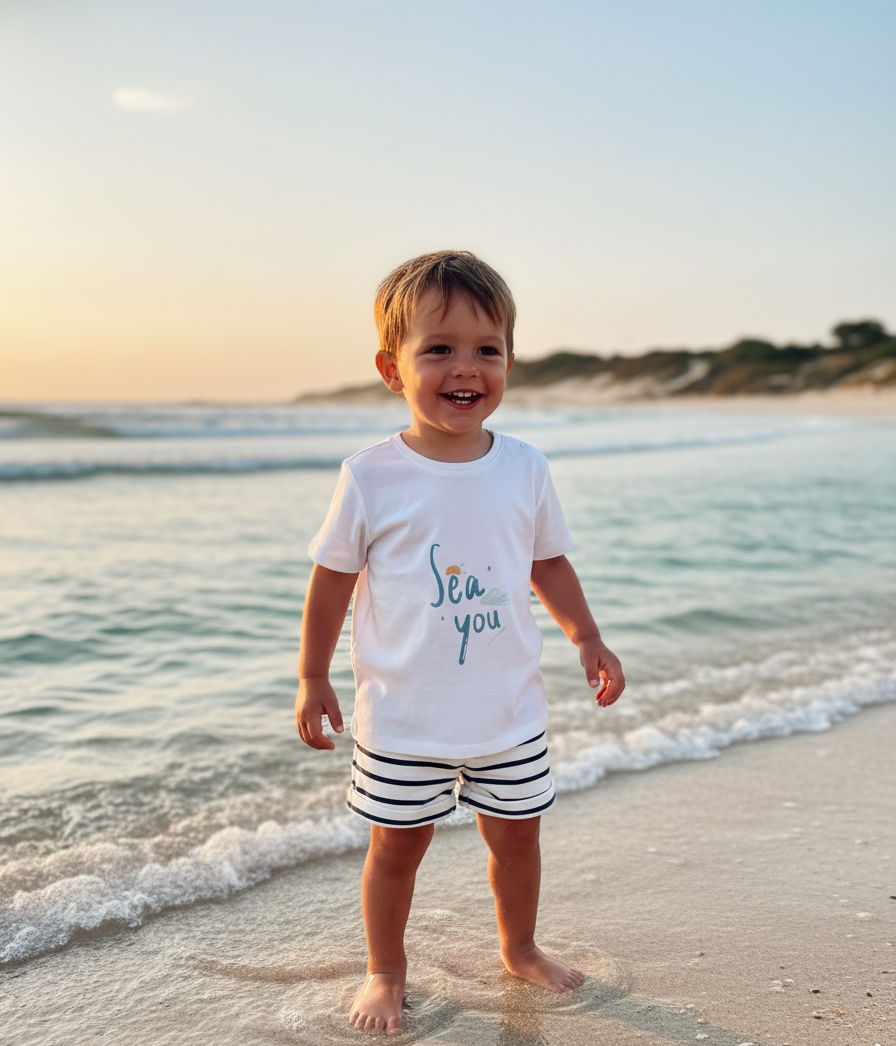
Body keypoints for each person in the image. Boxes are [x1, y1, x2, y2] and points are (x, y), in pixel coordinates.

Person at [295, 250, 624, 1035]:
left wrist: (587, 636)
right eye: (438, 349)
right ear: (392, 368)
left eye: (487, 349)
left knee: (517, 841)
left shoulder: (524, 467)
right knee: (395, 851)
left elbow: (547, 561)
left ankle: (520, 947)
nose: (466, 368)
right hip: (404, 717)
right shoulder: (372, 475)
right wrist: (312, 676)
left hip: (507, 710)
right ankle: (385, 970)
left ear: (508, 360)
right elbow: (332, 579)